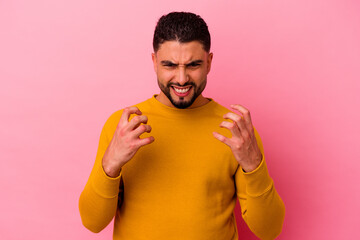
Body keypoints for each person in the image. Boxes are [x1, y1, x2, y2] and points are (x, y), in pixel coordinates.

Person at [79, 11, 285, 240]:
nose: (181, 78)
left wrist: (254, 165)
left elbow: (269, 230)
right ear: (154, 62)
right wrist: (110, 164)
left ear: (209, 62)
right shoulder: (125, 127)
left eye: (193, 65)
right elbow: (92, 222)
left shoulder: (237, 131)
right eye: (169, 65)